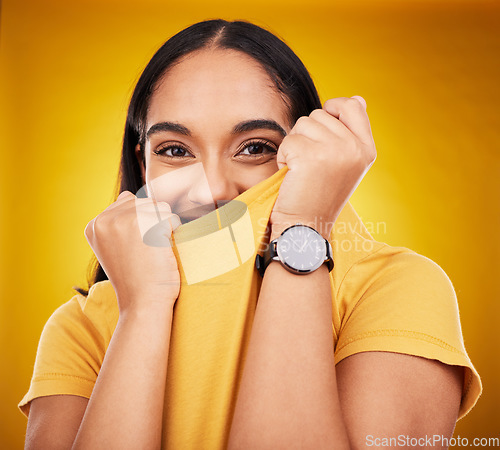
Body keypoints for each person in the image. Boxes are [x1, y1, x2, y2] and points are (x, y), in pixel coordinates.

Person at [19, 19, 481, 449]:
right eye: (176, 150)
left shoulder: (394, 289)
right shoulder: (82, 326)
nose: (216, 188)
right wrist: (142, 310)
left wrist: (302, 226)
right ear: (144, 164)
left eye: (256, 148)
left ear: (307, 154)